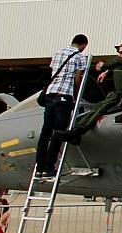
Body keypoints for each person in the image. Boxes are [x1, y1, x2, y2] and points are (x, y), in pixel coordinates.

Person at [61, 42, 122, 141]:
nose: (119, 55)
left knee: (119, 69)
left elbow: (118, 61)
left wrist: (103, 66)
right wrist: (107, 72)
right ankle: (78, 130)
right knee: (100, 106)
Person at [35, 34, 90, 176]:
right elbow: (78, 77)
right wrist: (77, 94)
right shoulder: (79, 57)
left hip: (50, 94)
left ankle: (39, 167)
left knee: (45, 132)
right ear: (84, 45)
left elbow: (53, 71)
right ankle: (49, 167)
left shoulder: (57, 52)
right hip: (64, 96)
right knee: (59, 133)